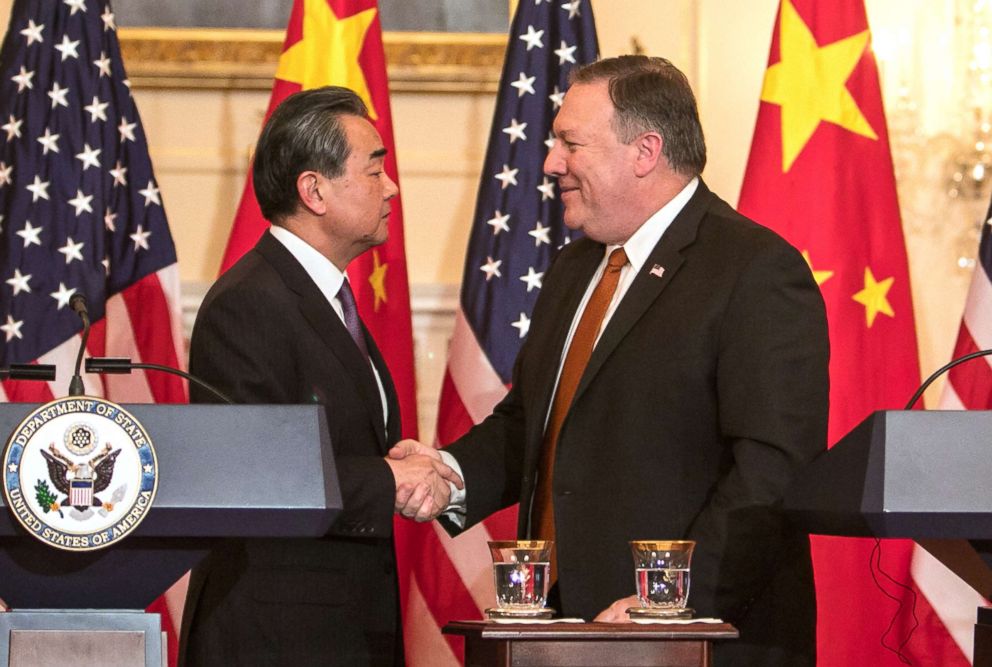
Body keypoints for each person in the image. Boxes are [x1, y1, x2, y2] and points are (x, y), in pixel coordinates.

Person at [392, 56, 829, 666]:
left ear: (645, 151)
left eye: (570, 143)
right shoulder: (576, 268)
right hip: (558, 631)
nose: (550, 164)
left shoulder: (753, 270)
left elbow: (772, 469)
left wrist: (670, 604)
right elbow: (532, 424)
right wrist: (448, 474)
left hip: (692, 640)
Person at [178, 86, 460, 667]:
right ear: (314, 190)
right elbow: (252, 473)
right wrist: (390, 479)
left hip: (340, 624)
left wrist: (403, 466)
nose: (392, 188)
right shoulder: (250, 302)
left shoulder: (324, 295)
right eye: (375, 169)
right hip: (275, 635)